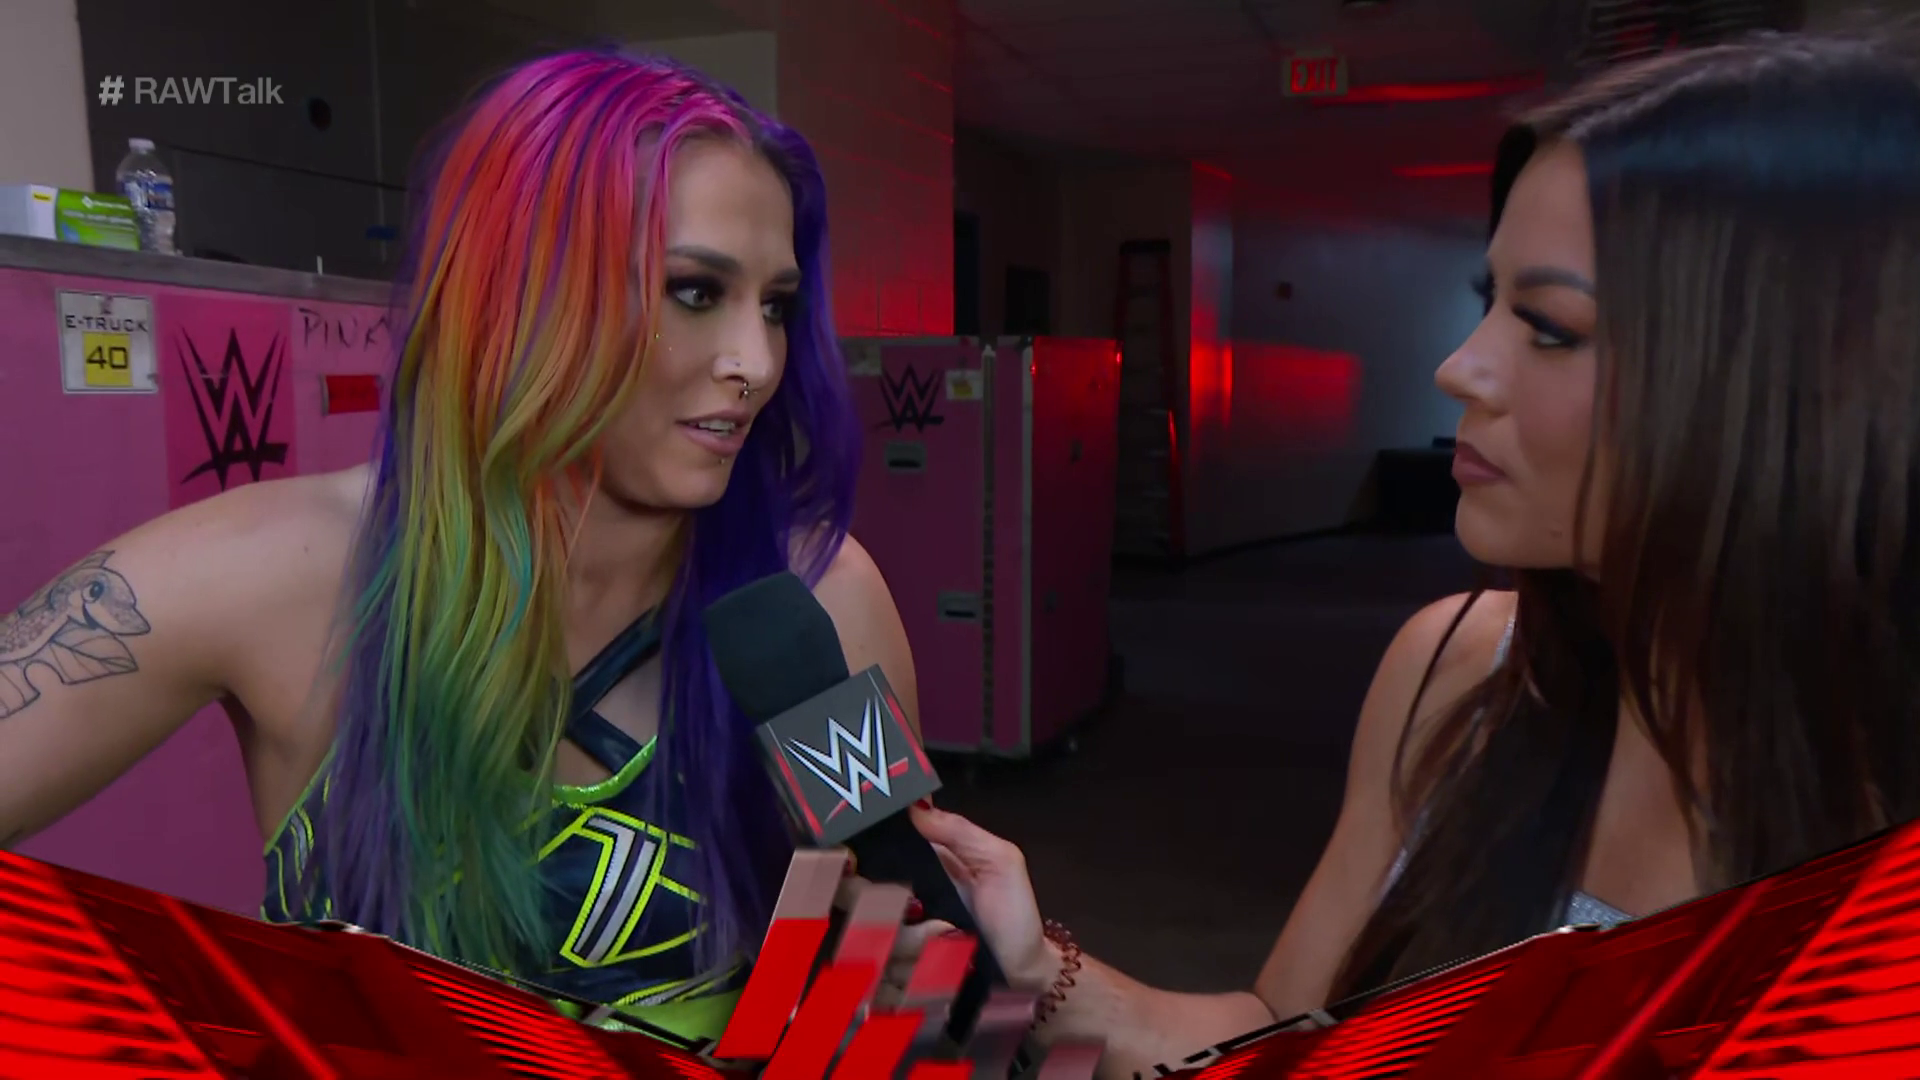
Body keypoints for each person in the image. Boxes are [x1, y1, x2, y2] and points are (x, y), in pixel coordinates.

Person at [884, 32, 1920, 1077]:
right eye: (1488, 303)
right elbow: (1286, 1031)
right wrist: (1030, 968)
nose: (1460, 367)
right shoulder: (1457, 671)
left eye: (1549, 325)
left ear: (1788, 387)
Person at [0, 50, 918, 1042]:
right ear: (516, 292)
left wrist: (971, 989)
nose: (757, 361)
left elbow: (889, 953)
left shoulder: (811, 606)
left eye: (776, 305)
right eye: (696, 292)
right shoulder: (288, 578)